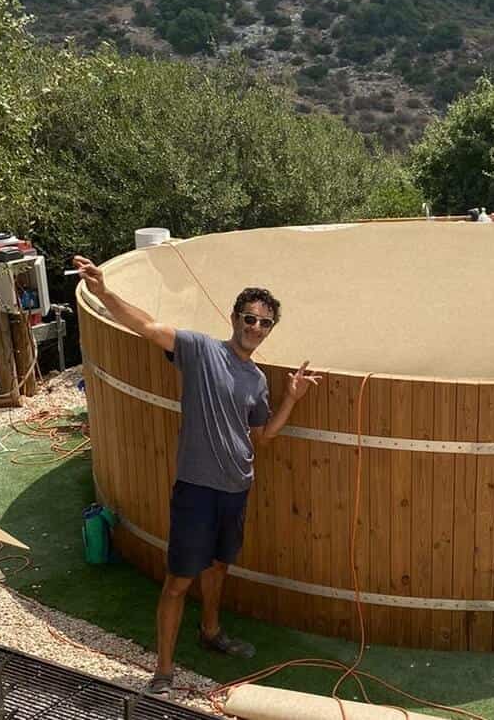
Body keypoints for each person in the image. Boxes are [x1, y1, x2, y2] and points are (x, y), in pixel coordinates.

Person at [72, 255, 319, 695]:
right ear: (234, 318)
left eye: (264, 323)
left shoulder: (257, 380)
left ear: (269, 330)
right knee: (178, 582)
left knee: (219, 566)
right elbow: (148, 327)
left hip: (236, 488)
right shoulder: (202, 351)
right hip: (197, 490)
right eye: (249, 318)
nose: (255, 328)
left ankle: (210, 632)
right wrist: (104, 292)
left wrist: (292, 399)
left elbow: (262, 437)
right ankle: (163, 671)